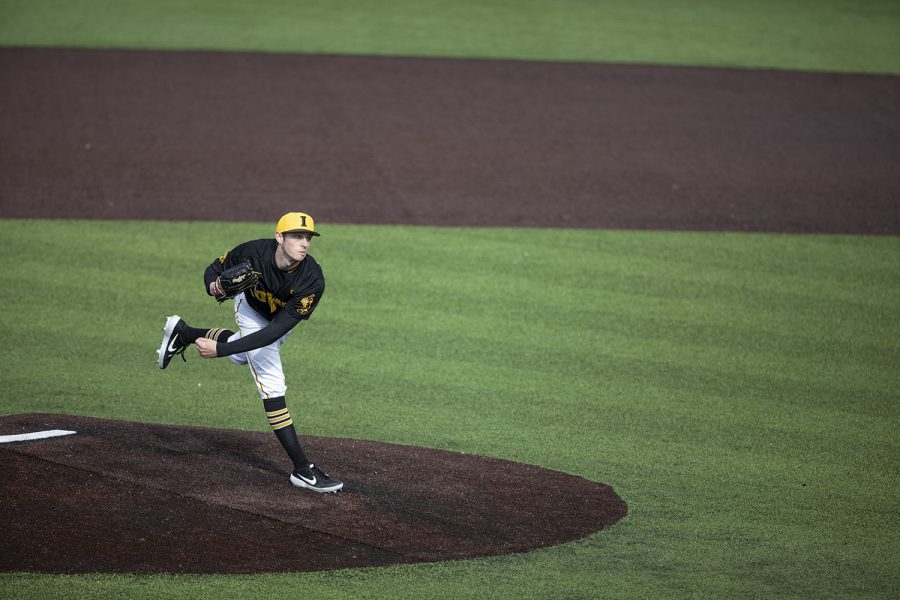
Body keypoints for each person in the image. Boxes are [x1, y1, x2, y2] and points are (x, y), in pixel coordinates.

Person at [156, 211, 342, 493]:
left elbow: (273, 332)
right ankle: (303, 470)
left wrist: (222, 348)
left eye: (307, 237)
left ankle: (184, 332)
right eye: (296, 236)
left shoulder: (312, 280)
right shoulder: (253, 252)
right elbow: (213, 269)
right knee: (272, 383)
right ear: (279, 237)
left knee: (241, 353)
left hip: (276, 324)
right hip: (250, 311)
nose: (304, 243)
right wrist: (214, 287)